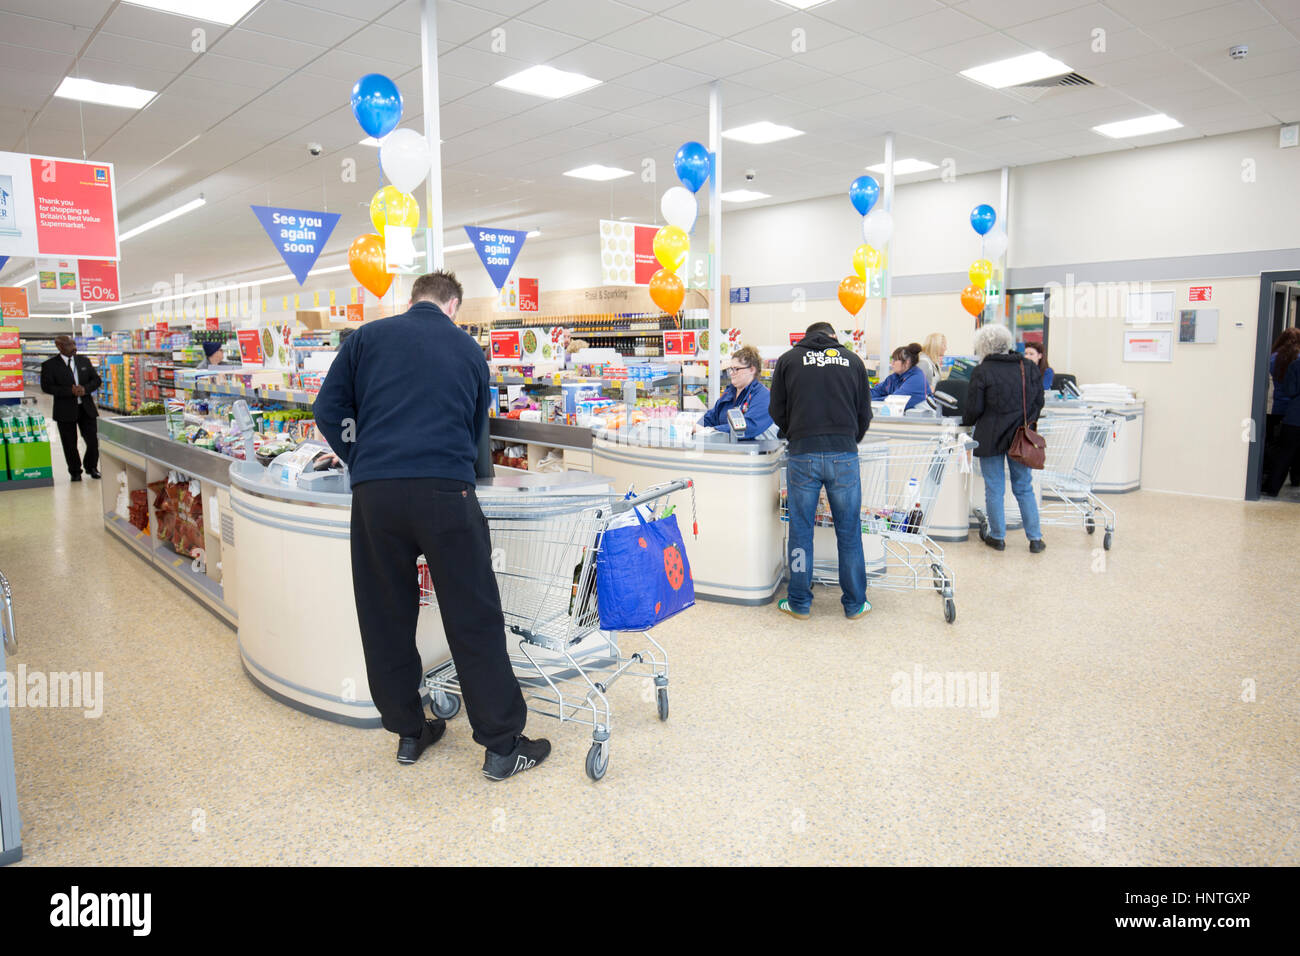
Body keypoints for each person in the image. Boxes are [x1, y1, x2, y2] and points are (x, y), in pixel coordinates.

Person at [313, 271, 548, 780]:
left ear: (412, 299)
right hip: (446, 492)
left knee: (385, 615)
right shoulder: (467, 349)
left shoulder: (366, 339)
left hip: (375, 496)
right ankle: (502, 745)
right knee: (472, 616)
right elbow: (475, 429)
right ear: (454, 306)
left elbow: (328, 409)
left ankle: (409, 732)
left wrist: (363, 455)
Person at [769, 321, 873, 620]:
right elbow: (865, 411)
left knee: (801, 530)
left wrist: (796, 432)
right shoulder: (853, 361)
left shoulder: (789, 360)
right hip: (844, 455)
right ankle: (855, 604)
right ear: (833, 337)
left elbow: (776, 408)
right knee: (849, 531)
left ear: (806, 337)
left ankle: (799, 602)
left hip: (803, 455)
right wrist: (848, 439)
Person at [962, 323, 1045, 552]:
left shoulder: (982, 371)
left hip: (990, 435)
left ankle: (997, 537)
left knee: (994, 487)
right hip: (1021, 436)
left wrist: (966, 420)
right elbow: (1039, 402)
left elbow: (974, 408)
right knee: (1023, 486)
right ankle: (1035, 539)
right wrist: (1026, 423)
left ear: (983, 346)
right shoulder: (1027, 366)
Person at [40, 334, 102, 482]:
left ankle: (91, 467)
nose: (74, 347)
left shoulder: (84, 361)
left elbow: (96, 380)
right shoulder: (50, 365)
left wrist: (85, 389)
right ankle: (75, 471)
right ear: (59, 346)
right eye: (69, 345)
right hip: (65, 410)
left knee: (93, 440)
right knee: (69, 443)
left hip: (86, 408)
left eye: (74, 344)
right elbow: (47, 387)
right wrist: (69, 391)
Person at [695, 345, 774, 438]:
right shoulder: (729, 393)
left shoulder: (763, 396)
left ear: (752, 369)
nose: (731, 373)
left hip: (754, 450)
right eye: (731, 369)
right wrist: (696, 426)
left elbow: (750, 426)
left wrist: (713, 430)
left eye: (736, 369)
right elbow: (712, 417)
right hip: (727, 449)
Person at [1262, 328, 1300, 497]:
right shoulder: (1296, 358)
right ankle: (1296, 479)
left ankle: (1271, 486)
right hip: (1290, 410)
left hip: (1281, 409)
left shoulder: (1272, 358)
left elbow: (1290, 389)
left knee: (1281, 450)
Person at [871, 343, 930, 410]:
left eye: (895, 360)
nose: (892, 363)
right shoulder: (895, 377)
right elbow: (876, 391)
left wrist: (867, 401)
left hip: (924, 419)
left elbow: (895, 400)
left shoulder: (917, 379)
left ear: (907, 362)